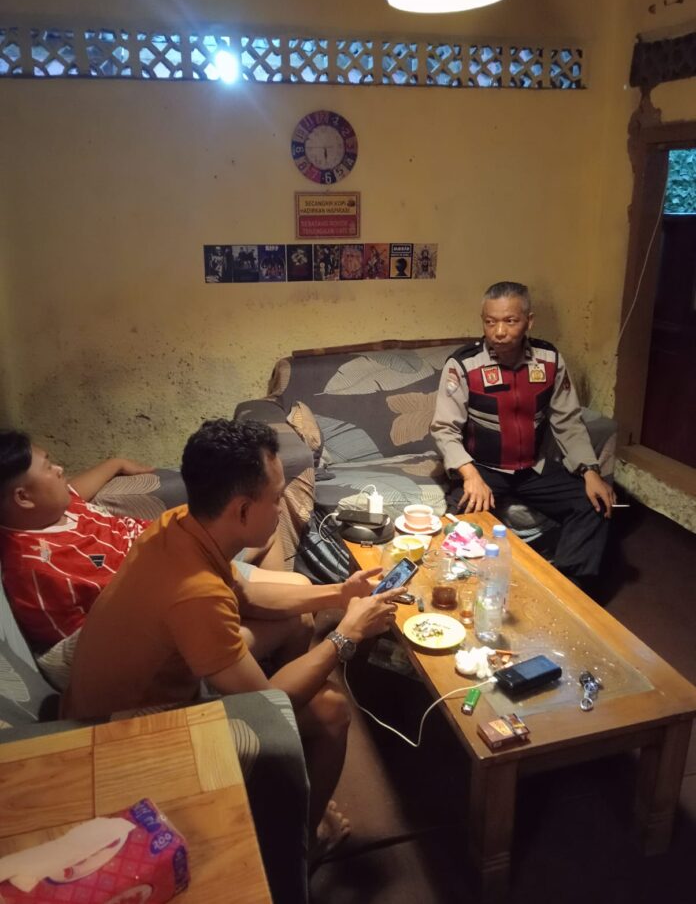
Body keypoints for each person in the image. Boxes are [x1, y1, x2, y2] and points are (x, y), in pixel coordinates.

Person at [62, 418, 399, 853]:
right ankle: (304, 845)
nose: (280, 510)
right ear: (241, 510)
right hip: (120, 741)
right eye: (275, 499)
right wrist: (347, 634)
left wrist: (340, 593)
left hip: (113, 698)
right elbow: (267, 704)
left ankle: (282, 777)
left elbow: (247, 595)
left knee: (296, 622)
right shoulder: (195, 594)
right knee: (331, 710)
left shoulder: (178, 524)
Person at [430, 281, 615, 591]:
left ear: (529, 321)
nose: (499, 331)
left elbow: (568, 421)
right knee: (458, 525)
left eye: (510, 321)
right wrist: (469, 475)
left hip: (534, 468)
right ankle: (462, 591)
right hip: (484, 468)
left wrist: (590, 470)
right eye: (490, 322)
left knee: (593, 503)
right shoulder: (463, 364)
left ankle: (569, 590)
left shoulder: (549, 359)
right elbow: (444, 428)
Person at [0, 431, 154, 650]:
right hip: (155, 589)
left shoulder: (49, 508)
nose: (59, 469)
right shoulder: (35, 571)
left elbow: (76, 487)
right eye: (48, 467)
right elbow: (82, 645)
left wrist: (117, 463)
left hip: (163, 541)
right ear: (23, 497)